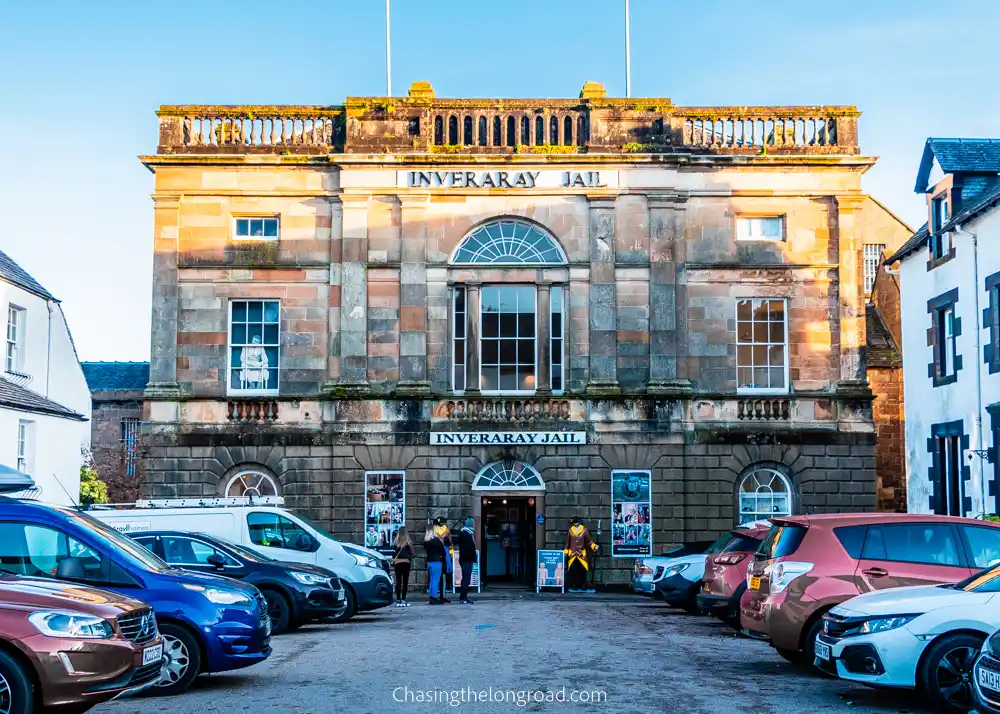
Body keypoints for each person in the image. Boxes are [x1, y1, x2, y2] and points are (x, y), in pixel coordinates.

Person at [563, 517, 598, 593]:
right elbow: (567, 543)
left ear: (579, 522)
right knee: (572, 570)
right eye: (574, 522)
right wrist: (565, 552)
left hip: (582, 554)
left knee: (583, 570)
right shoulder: (570, 530)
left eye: (576, 522)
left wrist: (594, 546)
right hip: (572, 554)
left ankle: (584, 586)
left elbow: (589, 541)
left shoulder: (585, 530)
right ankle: (573, 586)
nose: (575, 524)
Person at [423, 523, 447, 604]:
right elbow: (443, 552)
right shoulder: (437, 541)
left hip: (429, 561)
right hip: (437, 561)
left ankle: (431, 597)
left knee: (432, 580)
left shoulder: (426, 542)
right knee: (436, 580)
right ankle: (434, 598)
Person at [455, 517, 477, 604]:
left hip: (465, 559)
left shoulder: (465, 533)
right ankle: (463, 597)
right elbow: (468, 549)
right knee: (466, 579)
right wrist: (471, 559)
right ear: (470, 525)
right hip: (466, 560)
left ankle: (463, 597)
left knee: (465, 578)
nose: (475, 526)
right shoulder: (467, 535)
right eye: (474, 524)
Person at [432, 517, 453, 601]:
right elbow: (450, 542)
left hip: (438, 555)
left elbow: (450, 542)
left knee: (438, 577)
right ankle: (441, 596)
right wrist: (450, 553)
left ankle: (436, 596)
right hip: (444, 554)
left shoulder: (433, 531)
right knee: (442, 576)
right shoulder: (446, 530)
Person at [392, 527, 413, 607]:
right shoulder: (408, 541)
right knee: (405, 582)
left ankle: (398, 599)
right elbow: (412, 552)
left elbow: (394, 551)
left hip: (397, 563)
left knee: (398, 581)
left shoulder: (395, 541)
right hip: (406, 562)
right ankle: (403, 599)